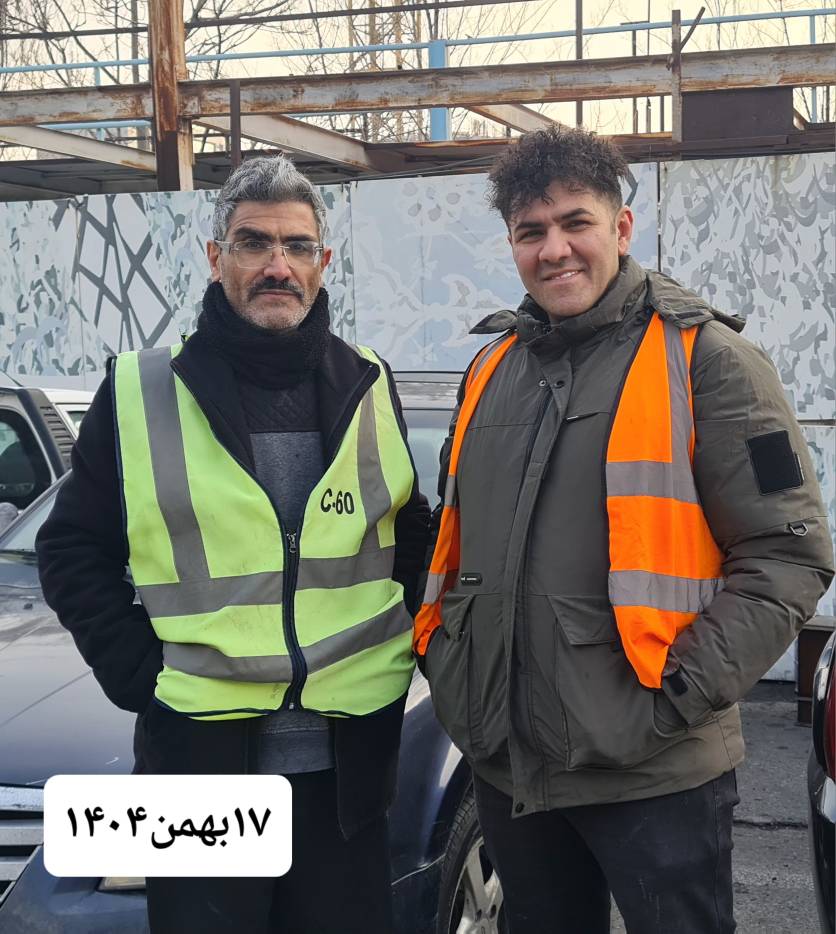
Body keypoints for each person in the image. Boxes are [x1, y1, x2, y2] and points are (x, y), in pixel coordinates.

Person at [414, 126, 834, 934]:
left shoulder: (708, 360)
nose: (555, 249)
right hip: (511, 767)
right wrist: (450, 665)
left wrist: (675, 698)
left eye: (576, 222)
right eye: (531, 231)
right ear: (512, 244)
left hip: (656, 772)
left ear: (622, 227)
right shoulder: (491, 369)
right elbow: (457, 545)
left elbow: (789, 555)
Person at [37, 154, 429, 934]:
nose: (277, 265)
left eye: (297, 246)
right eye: (254, 243)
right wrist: (141, 675)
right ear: (217, 258)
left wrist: (410, 652)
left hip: (346, 770)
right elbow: (71, 546)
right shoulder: (141, 389)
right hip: (200, 772)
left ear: (323, 261)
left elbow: (410, 535)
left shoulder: (369, 382)